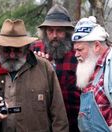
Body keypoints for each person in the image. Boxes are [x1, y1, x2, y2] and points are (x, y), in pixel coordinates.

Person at [0, 19, 69, 132]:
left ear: (26, 48)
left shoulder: (45, 68)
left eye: (17, 50)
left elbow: (59, 115)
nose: (12, 55)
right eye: (6, 50)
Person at [33, 4, 80, 132]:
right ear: (45, 32)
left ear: (67, 32)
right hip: (42, 123)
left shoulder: (78, 52)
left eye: (59, 30)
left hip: (73, 123)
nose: (54, 35)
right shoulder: (34, 49)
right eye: (50, 31)